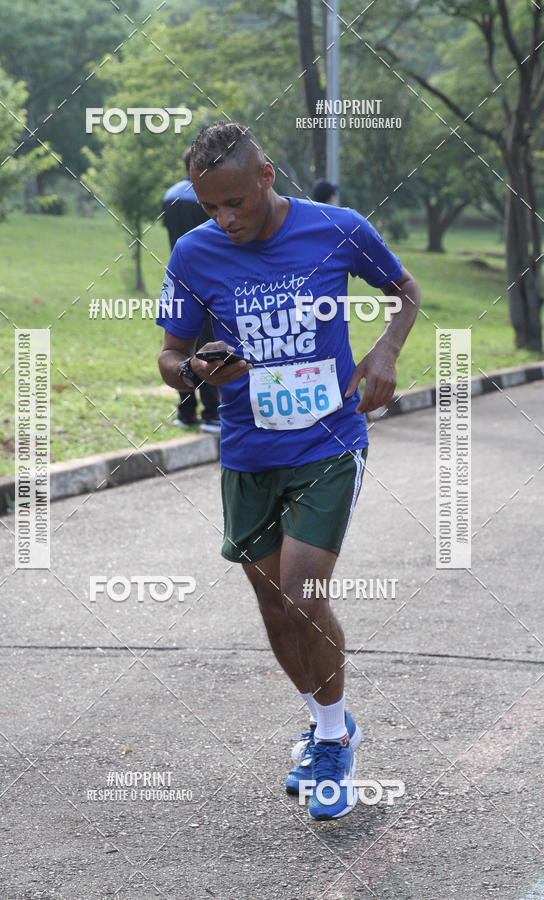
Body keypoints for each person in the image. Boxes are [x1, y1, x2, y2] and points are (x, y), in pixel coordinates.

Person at [156, 122, 420, 820]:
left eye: (236, 202)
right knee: (274, 606)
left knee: (303, 591)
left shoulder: (338, 228)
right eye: (213, 207)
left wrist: (386, 352)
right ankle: (322, 718)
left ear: (267, 176)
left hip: (328, 441)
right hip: (247, 450)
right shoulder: (194, 252)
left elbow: (406, 288)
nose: (226, 219)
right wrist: (195, 372)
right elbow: (169, 357)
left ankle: (333, 742)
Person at [162, 149, 220, 434]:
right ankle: (211, 412)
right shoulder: (207, 198)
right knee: (207, 345)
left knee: (179, 346)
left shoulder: (170, 194)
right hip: (208, 277)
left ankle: (186, 412)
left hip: (178, 275)